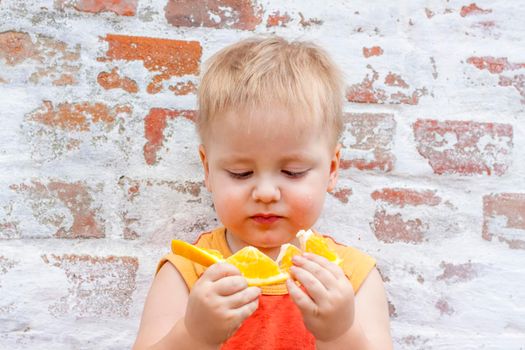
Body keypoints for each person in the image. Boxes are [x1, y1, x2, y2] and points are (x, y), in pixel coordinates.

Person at [133, 36, 392, 350]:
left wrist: (338, 334)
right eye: (240, 173)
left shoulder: (351, 276)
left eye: (293, 172)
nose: (266, 192)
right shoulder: (188, 271)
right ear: (207, 169)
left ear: (332, 168)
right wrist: (194, 335)